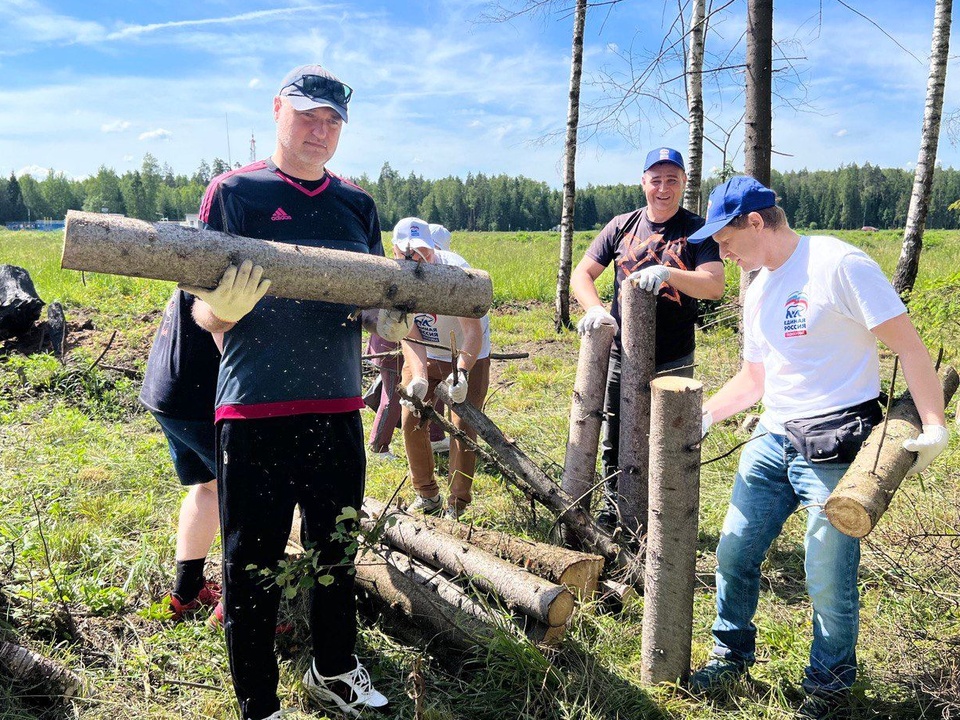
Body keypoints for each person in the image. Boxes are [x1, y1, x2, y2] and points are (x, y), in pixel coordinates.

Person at [687, 176, 950, 718]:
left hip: (834, 440)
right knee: (734, 552)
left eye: (726, 238)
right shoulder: (756, 283)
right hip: (771, 437)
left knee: (826, 569)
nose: (721, 250)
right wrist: (707, 413)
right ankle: (729, 656)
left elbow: (910, 345)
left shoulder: (839, 264)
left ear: (756, 222)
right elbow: (754, 377)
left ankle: (828, 686)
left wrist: (933, 423)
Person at [181, 64, 390, 720]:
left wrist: (402, 310)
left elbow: (376, 302)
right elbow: (199, 313)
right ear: (277, 110)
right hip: (255, 407)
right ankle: (258, 702)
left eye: (332, 122)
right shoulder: (233, 193)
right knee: (252, 561)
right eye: (308, 116)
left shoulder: (356, 204)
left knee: (337, 548)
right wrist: (222, 309)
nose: (319, 131)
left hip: (336, 406)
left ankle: (333, 666)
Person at [570, 147, 725, 532]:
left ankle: (664, 518)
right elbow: (581, 275)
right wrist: (594, 309)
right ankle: (613, 511)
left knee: (669, 441)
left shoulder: (697, 230)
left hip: (673, 359)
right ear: (643, 183)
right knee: (617, 432)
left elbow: (714, 285)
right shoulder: (622, 226)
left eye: (672, 179)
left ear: (684, 183)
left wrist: (669, 274)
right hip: (624, 353)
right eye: (655, 180)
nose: (663, 188)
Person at [393, 217, 491, 521]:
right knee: (411, 414)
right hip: (425, 351)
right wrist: (419, 376)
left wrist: (461, 372)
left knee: (462, 424)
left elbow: (472, 334)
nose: (416, 260)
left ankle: (457, 502)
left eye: (423, 252)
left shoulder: (456, 274)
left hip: (465, 351)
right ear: (395, 250)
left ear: (433, 248)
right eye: (407, 253)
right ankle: (427, 494)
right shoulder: (393, 276)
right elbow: (409, 332)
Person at [139, 290, 222, 622]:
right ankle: (237, 609)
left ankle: (186, 593)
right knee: (252, 497)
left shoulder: (206, 244)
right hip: (199, 397)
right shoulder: (238, 241)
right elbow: (225, 336)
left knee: (210, 487)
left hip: (166, 387)